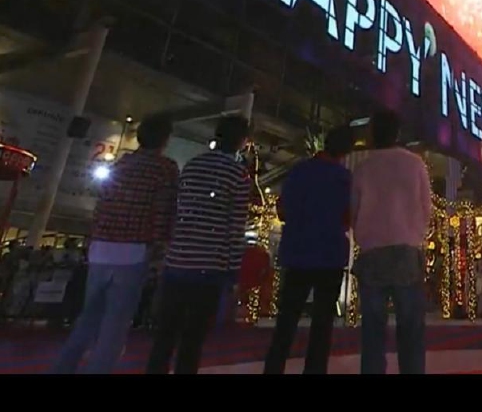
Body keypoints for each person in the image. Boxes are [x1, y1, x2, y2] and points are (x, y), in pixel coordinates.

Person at [51, 114, 178, 374]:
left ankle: (63, 368)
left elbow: (100, 206)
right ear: (165, 139)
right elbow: (163, 211)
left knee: (88, 317)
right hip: (132, 250)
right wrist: (161, 247)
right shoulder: (165, 168)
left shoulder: (121, 164)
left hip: (101, 248)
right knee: (115, 325)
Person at [146, 115, 251, 375]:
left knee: (165, 334)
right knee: (193, 338)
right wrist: (233, 271)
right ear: (242, 142)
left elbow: (177, 209)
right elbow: (234, 227)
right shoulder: (238, 174)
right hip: (210, 265)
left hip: (178, 260)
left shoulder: (193, 165)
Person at [262, 125, 353, 374]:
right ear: (345, 152)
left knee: (286, 321)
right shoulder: (345, 179)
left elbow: (282, 210)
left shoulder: (299, 171)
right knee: (322, 325)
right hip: (330, 254)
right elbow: (348, 219)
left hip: (297, 252)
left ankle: (273, 368)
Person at [351, 109, 432, 375]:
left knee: (373, 331)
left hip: (372, 253)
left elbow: (353, 211)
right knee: (410, 329)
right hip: (407, 251)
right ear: (398, 134)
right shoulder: (415, 164)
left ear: (373, 133)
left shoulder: (363, 167)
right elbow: (426, 208)